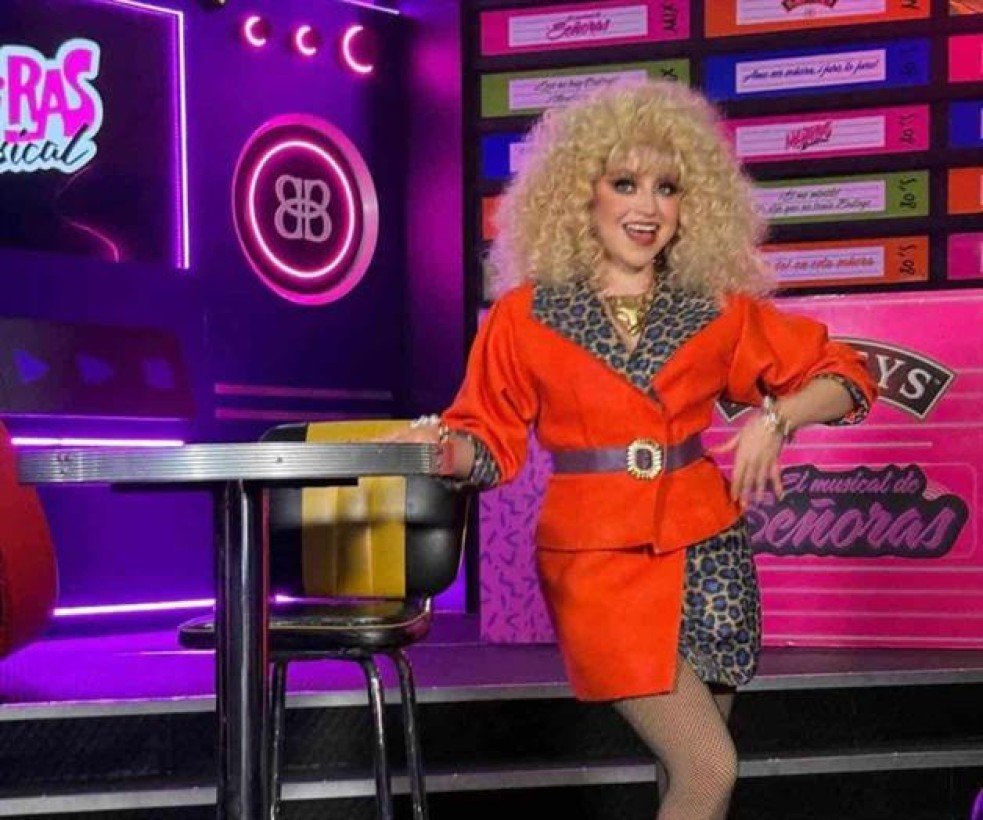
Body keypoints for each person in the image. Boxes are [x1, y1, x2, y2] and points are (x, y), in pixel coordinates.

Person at [396, 80, 876, 819]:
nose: (647, 207)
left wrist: (777, 419)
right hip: (598, 563)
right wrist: (441, 451)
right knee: (709, 768)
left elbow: (846, 375)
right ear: (579, 193)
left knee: (684, 775)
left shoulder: (715, 308)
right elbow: (487, 440)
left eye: (667, 188)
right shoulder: (523, 316)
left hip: (709, 554)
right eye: (625, 183)